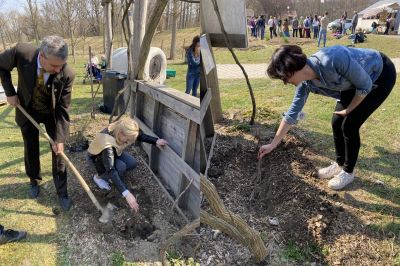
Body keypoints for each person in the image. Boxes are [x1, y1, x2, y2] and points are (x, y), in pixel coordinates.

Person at [259, 45, 396, 190]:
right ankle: (339, 164)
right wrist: (273, 144)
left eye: (284, 78)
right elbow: (293, 113)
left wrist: (348, 110)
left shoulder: (334, 59)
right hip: (352, 85)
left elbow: (365, 85)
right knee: (337, 122)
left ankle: (348, 172)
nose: (285, 83)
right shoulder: (305, 83)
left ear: (291, 70)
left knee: (349, 125)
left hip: (379, 75)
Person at [0, 36, 75, 210]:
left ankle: (62, 192)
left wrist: (61, 139)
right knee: (31, 147)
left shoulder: (67, 73)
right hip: (27, 109)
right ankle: (34, 180)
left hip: (52, 113)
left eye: (61, 65)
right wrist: (10, 93)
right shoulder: (22, 52)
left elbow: (63, 108)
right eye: (54, 65)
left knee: (59, 153)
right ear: (42, 56)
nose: (58, 70)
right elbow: (1, 66)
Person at [86, 117, 168, 211]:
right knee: (120, 167)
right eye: (127, 140)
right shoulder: (107, 144)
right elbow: (111, 169)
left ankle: (116, 178)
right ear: (121, 134)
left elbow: (138, 135)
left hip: (114, 152)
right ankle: (98, 177)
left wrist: (155, 141)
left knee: (132, 163)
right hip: (96, 159)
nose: (129, 142)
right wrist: (126, 193)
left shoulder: (122, 126)